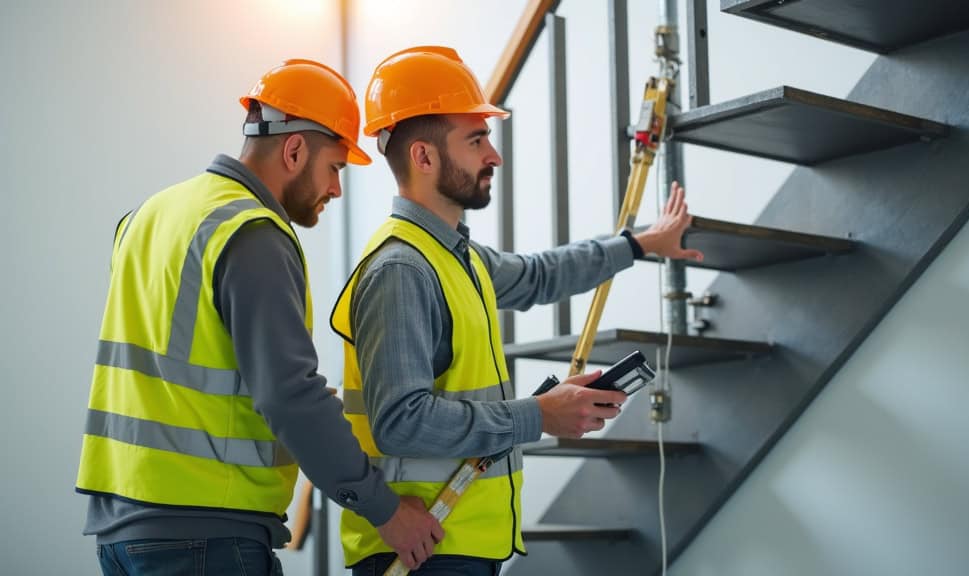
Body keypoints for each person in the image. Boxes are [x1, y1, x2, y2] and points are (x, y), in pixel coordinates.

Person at [331, 46, 704, 576]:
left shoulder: (454, 257)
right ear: (424, 157)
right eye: (476, 140)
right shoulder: (402, 269)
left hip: (458, 545)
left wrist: (640, 244)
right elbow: (401, 422)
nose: (494, 155)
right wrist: (540, 414)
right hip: (421, 552)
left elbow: (538, 276)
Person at [75, 59, 443, 576]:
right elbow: (290, 395)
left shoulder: (149, 215)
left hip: (122, 532)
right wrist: (385, 510)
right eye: (335, 168)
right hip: (206, 534)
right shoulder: (252, 232)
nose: (336, 189)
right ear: (294, 151)